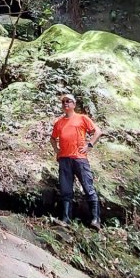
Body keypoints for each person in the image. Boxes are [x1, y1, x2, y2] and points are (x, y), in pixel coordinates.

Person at [50, 93, 102, 229]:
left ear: (74, 104)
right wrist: (57, 150)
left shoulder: (82, 118)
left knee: (88, 187)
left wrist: (89, 145)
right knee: (65, 190)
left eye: (68, 101)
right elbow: (52, 138)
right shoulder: (59, 123)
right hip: (64, 159)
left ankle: (96, 220)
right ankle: (66, 220)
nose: (65, 104)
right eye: (63, 102)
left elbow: (97, 132)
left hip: (79, 159)